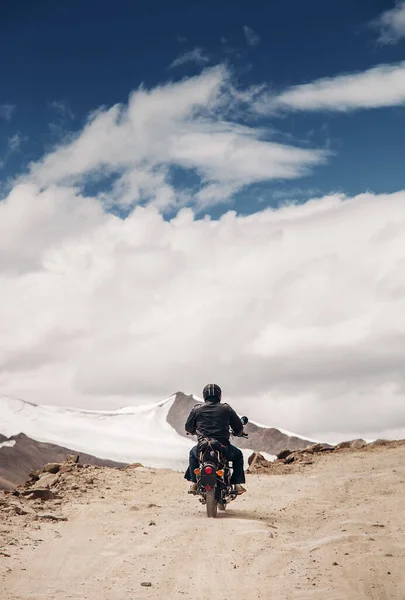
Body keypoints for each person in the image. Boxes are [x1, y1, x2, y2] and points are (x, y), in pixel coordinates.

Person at [184, 383, 247, 494]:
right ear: (219, 395)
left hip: (203, 446)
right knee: (237, 455)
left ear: (204, 395)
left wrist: (193, 431)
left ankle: (194, 482)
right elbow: (238, 427)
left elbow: (188, 427)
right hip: (222, 446)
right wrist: (239, 432)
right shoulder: (226, 409)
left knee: (192, 454)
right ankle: (237, 484)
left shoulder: (197, 409)